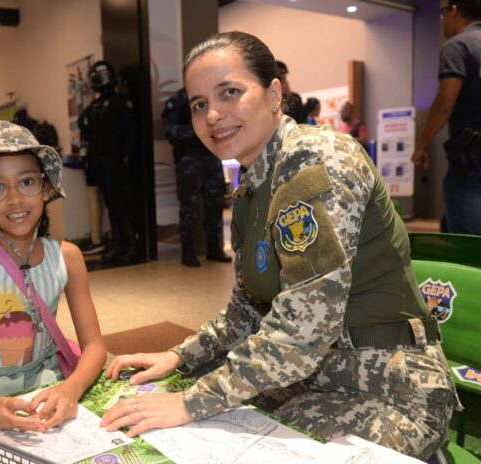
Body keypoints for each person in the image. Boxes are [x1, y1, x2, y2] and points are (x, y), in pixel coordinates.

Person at [100, 32, 457, 461]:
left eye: (229, 92)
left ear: (274, 94)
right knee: (176, 403)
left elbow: (303, 330)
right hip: (312, 377)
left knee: (219, 433)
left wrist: (191, 402)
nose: (213, 115)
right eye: (198, 104)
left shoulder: (316, 159)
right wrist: (179, 356)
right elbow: (245, 311)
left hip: (391, 390)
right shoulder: (251, 191)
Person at [0, 121, 106, 432]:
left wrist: (70, 389)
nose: (15, 199)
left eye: (27, 182)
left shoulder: (68, 257)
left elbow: (94, 347)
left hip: (47, 393)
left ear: (46, 187)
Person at [412, 0, 481, 236]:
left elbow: (445, 102)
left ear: (454, 10)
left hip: (475, 156)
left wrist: (422, 144)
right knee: (455, 222)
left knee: (466, 239)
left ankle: (472, 271)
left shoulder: (458, 46)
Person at [162, 88, 231, 267]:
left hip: (211, 156)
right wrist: (199, 131)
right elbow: (170, 130)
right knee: (189, 207)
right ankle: (188, 251)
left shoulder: (211, 96)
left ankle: (213, 249)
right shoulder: (178, 100)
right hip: (188, 160)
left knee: (215, 204)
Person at [78, 61, 138, 264]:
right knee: (111, 206)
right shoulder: (94, 107)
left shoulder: (120, 103)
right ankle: (118, 245)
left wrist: (126, 157)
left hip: (117, 164)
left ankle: (130, 246)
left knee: (122, 206)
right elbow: (88, 135)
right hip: (101, 164)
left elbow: (130, 133)